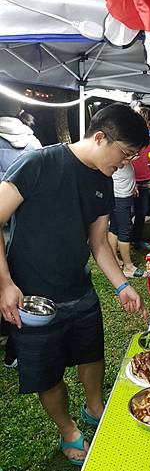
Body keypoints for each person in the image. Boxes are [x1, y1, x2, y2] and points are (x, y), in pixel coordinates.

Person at [0, 103, 149, 465]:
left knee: (92, 356)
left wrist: (120, 285)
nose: (125, 164)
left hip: (79, 290)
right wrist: (5, 284)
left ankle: (95, 408)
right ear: (100, 137)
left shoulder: (102, 179)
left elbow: (98, 244)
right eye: (125, 154)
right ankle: (68, 431)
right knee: (46, 375)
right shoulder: (39, 163)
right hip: (31, 298)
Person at [0, 101, 42, 369]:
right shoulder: (33, 141)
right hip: (23, 222)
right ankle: (15, 347)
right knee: (17, 279)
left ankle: (10, 341)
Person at [108, 163, 145, 278]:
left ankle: (114, 260)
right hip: (120, 197)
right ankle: (128, 267)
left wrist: (133, 186)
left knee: (115, 227)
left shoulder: (123, 155)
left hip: (124, 195)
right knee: (125, 230)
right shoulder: (117, 156)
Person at [131, 107, 150, 252]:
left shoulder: (149, 139)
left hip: (146, 179)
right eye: (149, 124)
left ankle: (137, 239)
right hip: (133, 181)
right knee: (131, 211)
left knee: (143, 210)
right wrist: (132, 182)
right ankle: (124, 239)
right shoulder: (132, 138)